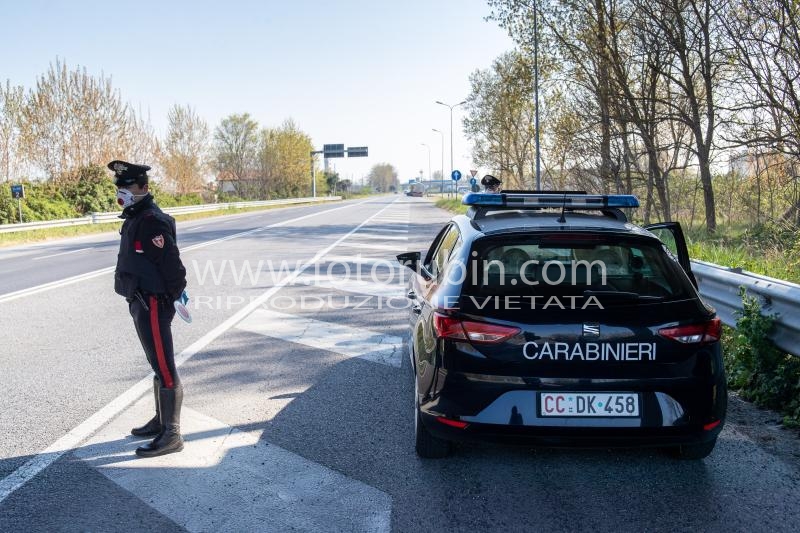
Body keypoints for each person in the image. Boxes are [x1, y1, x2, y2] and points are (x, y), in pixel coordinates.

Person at [110, 160, 187, 458]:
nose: (122, 192)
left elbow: (172, 266)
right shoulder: (135, 217)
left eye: (127, 186)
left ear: (144, 187)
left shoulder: (152, 220)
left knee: (165, 366)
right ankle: (160, 421)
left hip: (154, 302)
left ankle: (172, 434)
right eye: (119, 187)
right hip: (139, 300)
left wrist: (176, 294)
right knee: (157, 364)